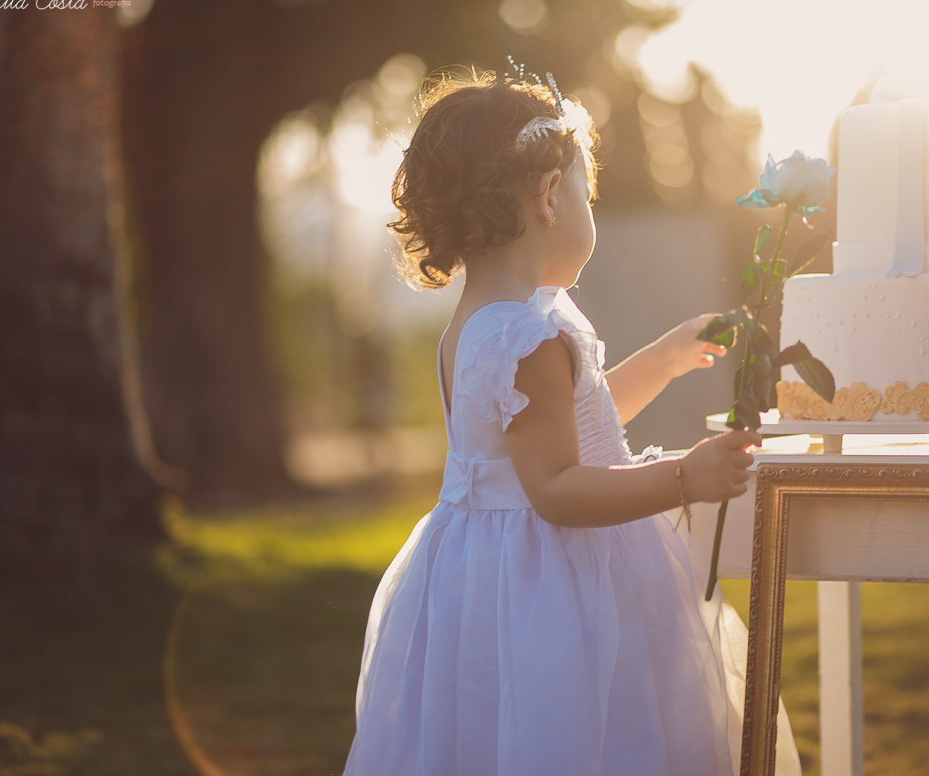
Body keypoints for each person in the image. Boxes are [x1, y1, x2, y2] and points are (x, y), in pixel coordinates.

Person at [343, 67, 802, 776]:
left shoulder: (487, 321)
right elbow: (556, 488)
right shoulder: (525, 336)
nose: (590, 210)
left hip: (488, 576)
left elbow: (572, 428)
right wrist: (683, 477)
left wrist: (663, 360)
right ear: (551, 195)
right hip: (551, 583)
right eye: (587, 195)